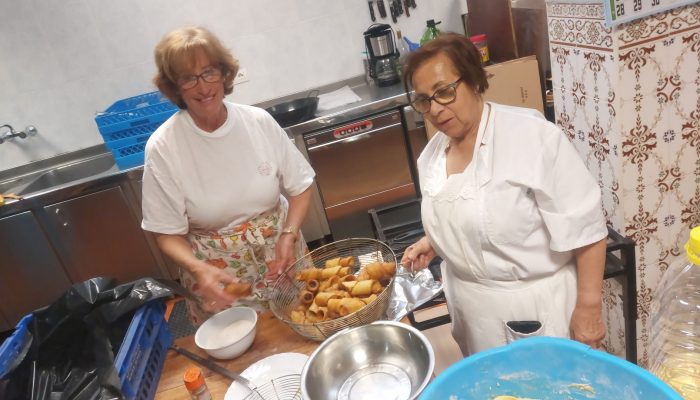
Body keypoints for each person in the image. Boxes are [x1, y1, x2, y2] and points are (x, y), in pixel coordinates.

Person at [400, 33, 608, 356]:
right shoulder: (433, 156)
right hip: (472, 314)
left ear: (473, 81)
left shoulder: (532, 138)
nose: (436, 109)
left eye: (444, 92)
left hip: (533, 312)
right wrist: (437, 240)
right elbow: (471, 211)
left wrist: (589, 308)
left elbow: (586, 229)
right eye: (425, 100)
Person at [141, 26, 315, 325]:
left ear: (223, 74)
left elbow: (301, 186)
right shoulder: (163, 147)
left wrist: (289, 234)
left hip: (283, 262)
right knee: (238, 349)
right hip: (219, 283)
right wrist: (198, 269)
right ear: (175, 87)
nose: (202, 87)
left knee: (303, 326)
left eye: (208, 72)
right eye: (188, 78)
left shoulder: (258, 122)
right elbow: (166, 234)